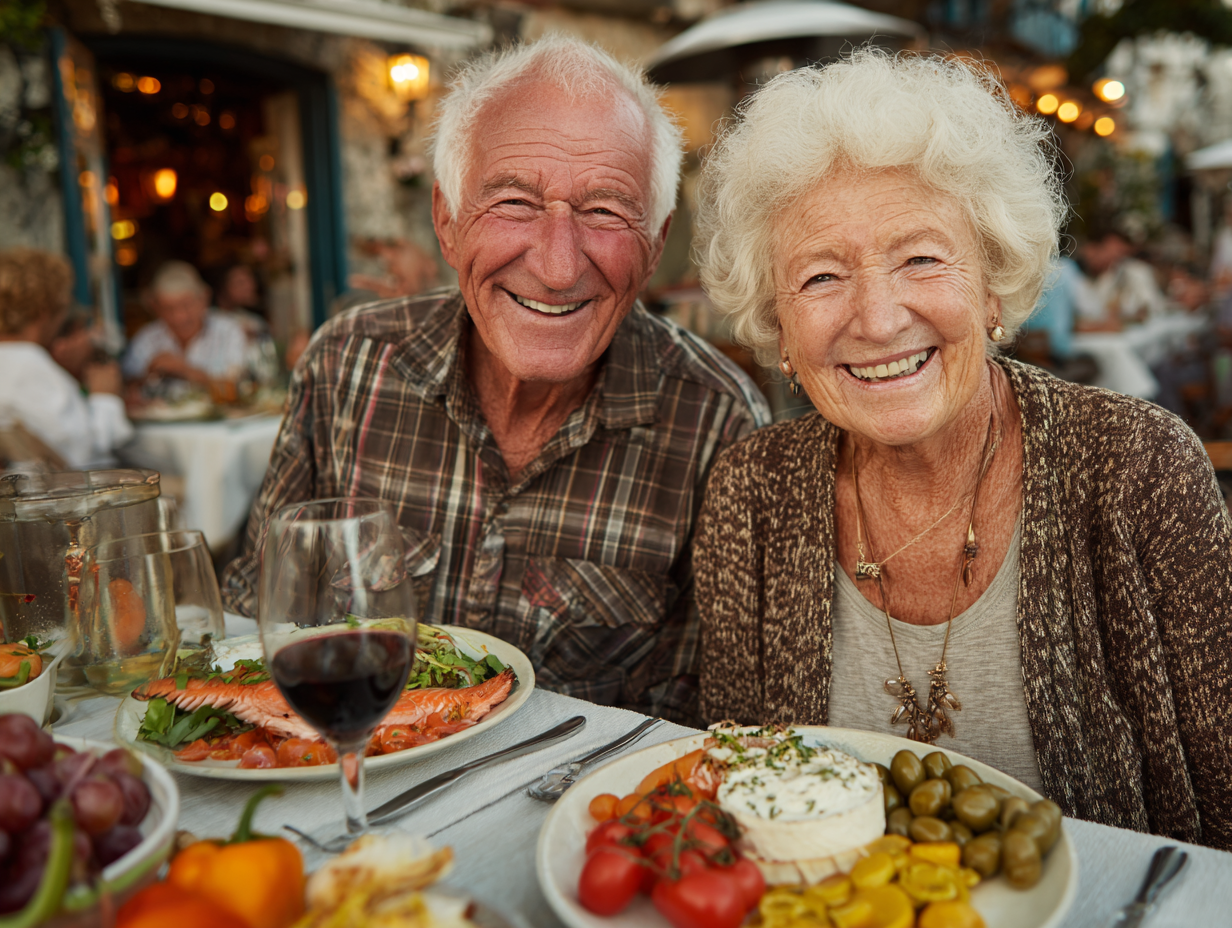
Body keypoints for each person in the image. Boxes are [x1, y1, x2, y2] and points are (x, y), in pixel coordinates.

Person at [692, 51, 1231, 849]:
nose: (876, 319)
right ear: (780, 334)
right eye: (821, 277)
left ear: (993, 288)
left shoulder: (1138, 467)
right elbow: (738, 787)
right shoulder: (749, 496)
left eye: (920, 257)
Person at [220, 37, 771, 723]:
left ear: (656, 245)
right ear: (447, 223)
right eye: (514, 201)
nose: (558, 266)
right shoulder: (348, 364)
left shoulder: (717, 423)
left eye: (604, 210)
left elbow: (694, 728)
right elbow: (256, 626)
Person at [0, 249, 133, 468]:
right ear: (45, 311)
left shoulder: (11, 360)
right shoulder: (28, 363)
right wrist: (105, 397)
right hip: (64, 495)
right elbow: (82, 454)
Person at [122, 261, 247, 385]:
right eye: (168, 309)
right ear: (155, 307)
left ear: (204, 299)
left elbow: (236, 385)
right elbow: (129, 383)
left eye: (186, 306)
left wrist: (184, 369)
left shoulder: (228, 330)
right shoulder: (146, 338)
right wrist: (147, 375)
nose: (179, 317)